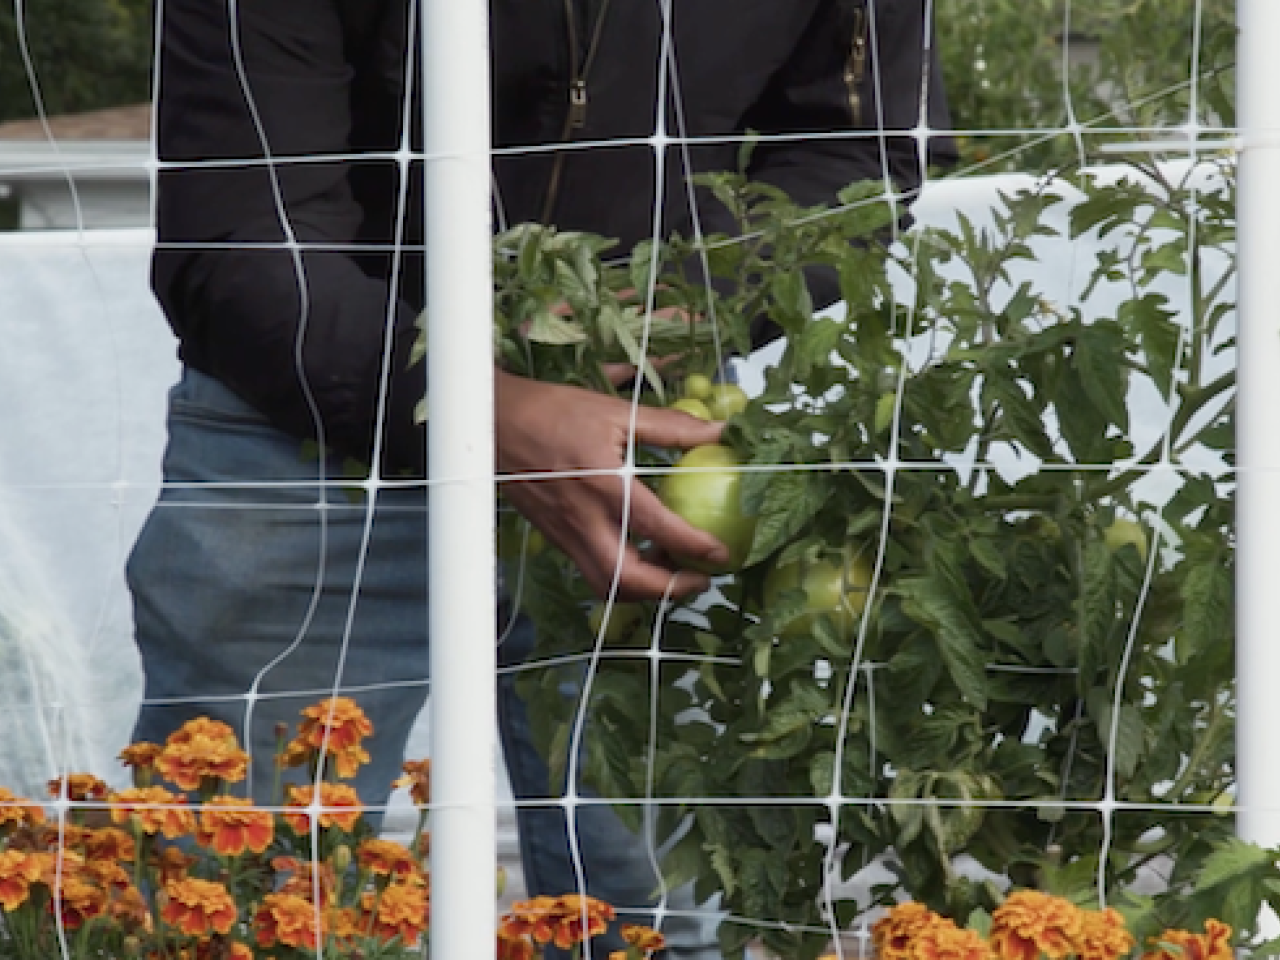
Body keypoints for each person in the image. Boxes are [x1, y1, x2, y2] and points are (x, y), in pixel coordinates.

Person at [127, 1, 954, 956]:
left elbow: (854, 156)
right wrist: (476, 404)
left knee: (650, 917)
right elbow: (238, 235)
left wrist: (652, 315)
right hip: (308, 420)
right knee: (233, 899)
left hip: (640, 428)